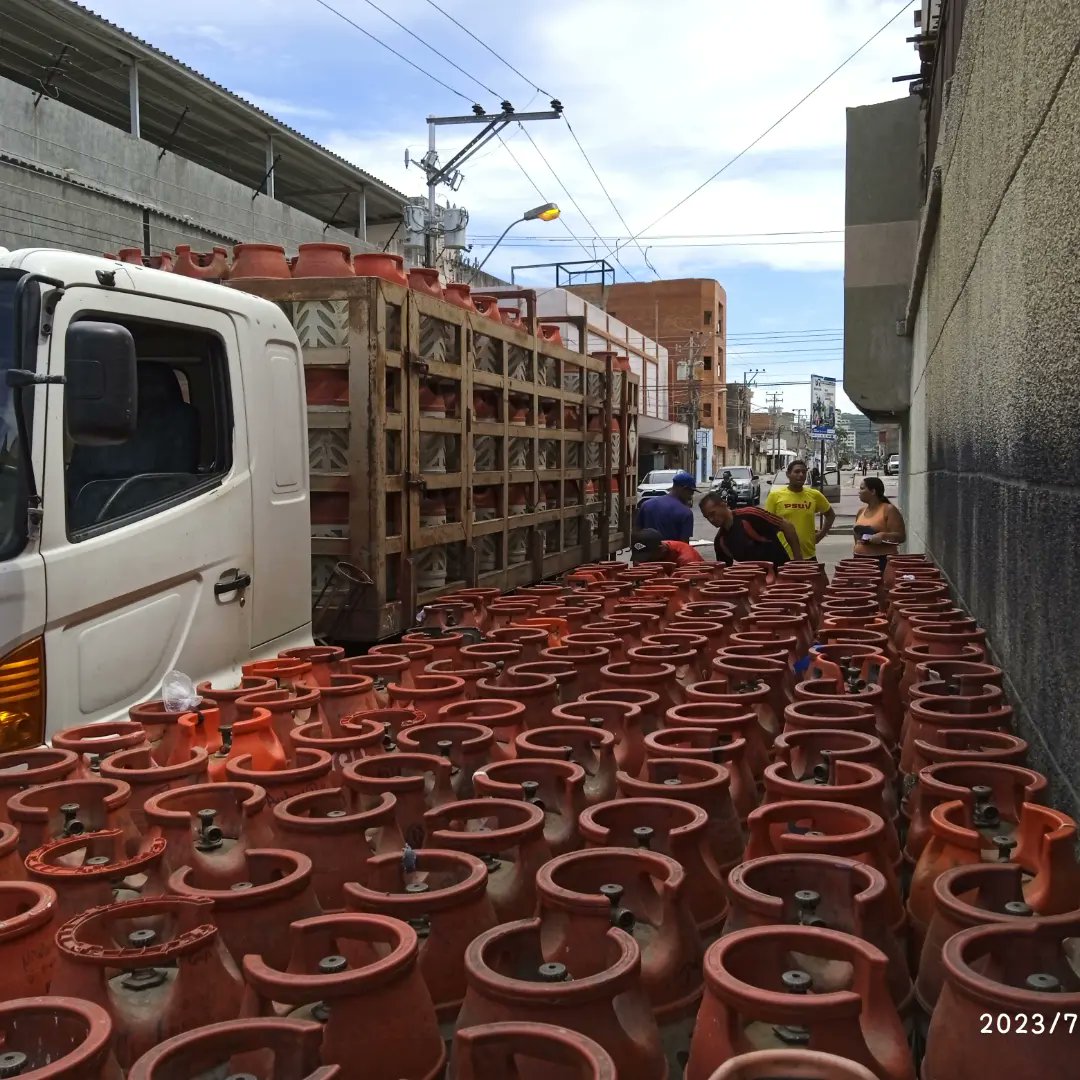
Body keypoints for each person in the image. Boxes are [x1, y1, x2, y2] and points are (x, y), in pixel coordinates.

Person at [699, 492, 802, 567]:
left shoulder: (751, 515)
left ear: (723, 504)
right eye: (707, 517)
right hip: (755, 585)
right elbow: (725, 571)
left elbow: (788, 527)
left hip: (781, 577)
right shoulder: (720, 541)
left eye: (712, 514)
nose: (711, 520)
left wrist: (798, 564)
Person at [765, 459, 835, 561]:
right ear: (788, 474)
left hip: (808, 555)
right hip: (782, 555)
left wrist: (821, 534)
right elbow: (767, 524)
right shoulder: (775, 496)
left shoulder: (814, 495)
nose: (801, 475)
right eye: (797, 472)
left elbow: (830, 515)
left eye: (804, 472)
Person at [854, 476, 906, 566]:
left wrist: (882, 536)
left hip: (882, 560)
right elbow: (857, 537)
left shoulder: (889, 510)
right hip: (860, 559)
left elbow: (901, 536)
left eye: (862, 488)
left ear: (873, 491)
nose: (859, 492)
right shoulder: (861, 511)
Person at [636, 470, 697, 541]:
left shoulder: (646, 505)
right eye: (691, 492)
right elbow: (684, 545)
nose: (691, 496)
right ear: (683, 489)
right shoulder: (686, 512)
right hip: (672, 551)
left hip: (648, 551)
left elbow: (637, 532)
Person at [631, 528, 705, 567]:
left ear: (661, 549)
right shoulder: (643, 556)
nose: (644, 561)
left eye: (648, 558)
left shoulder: (687, 559)